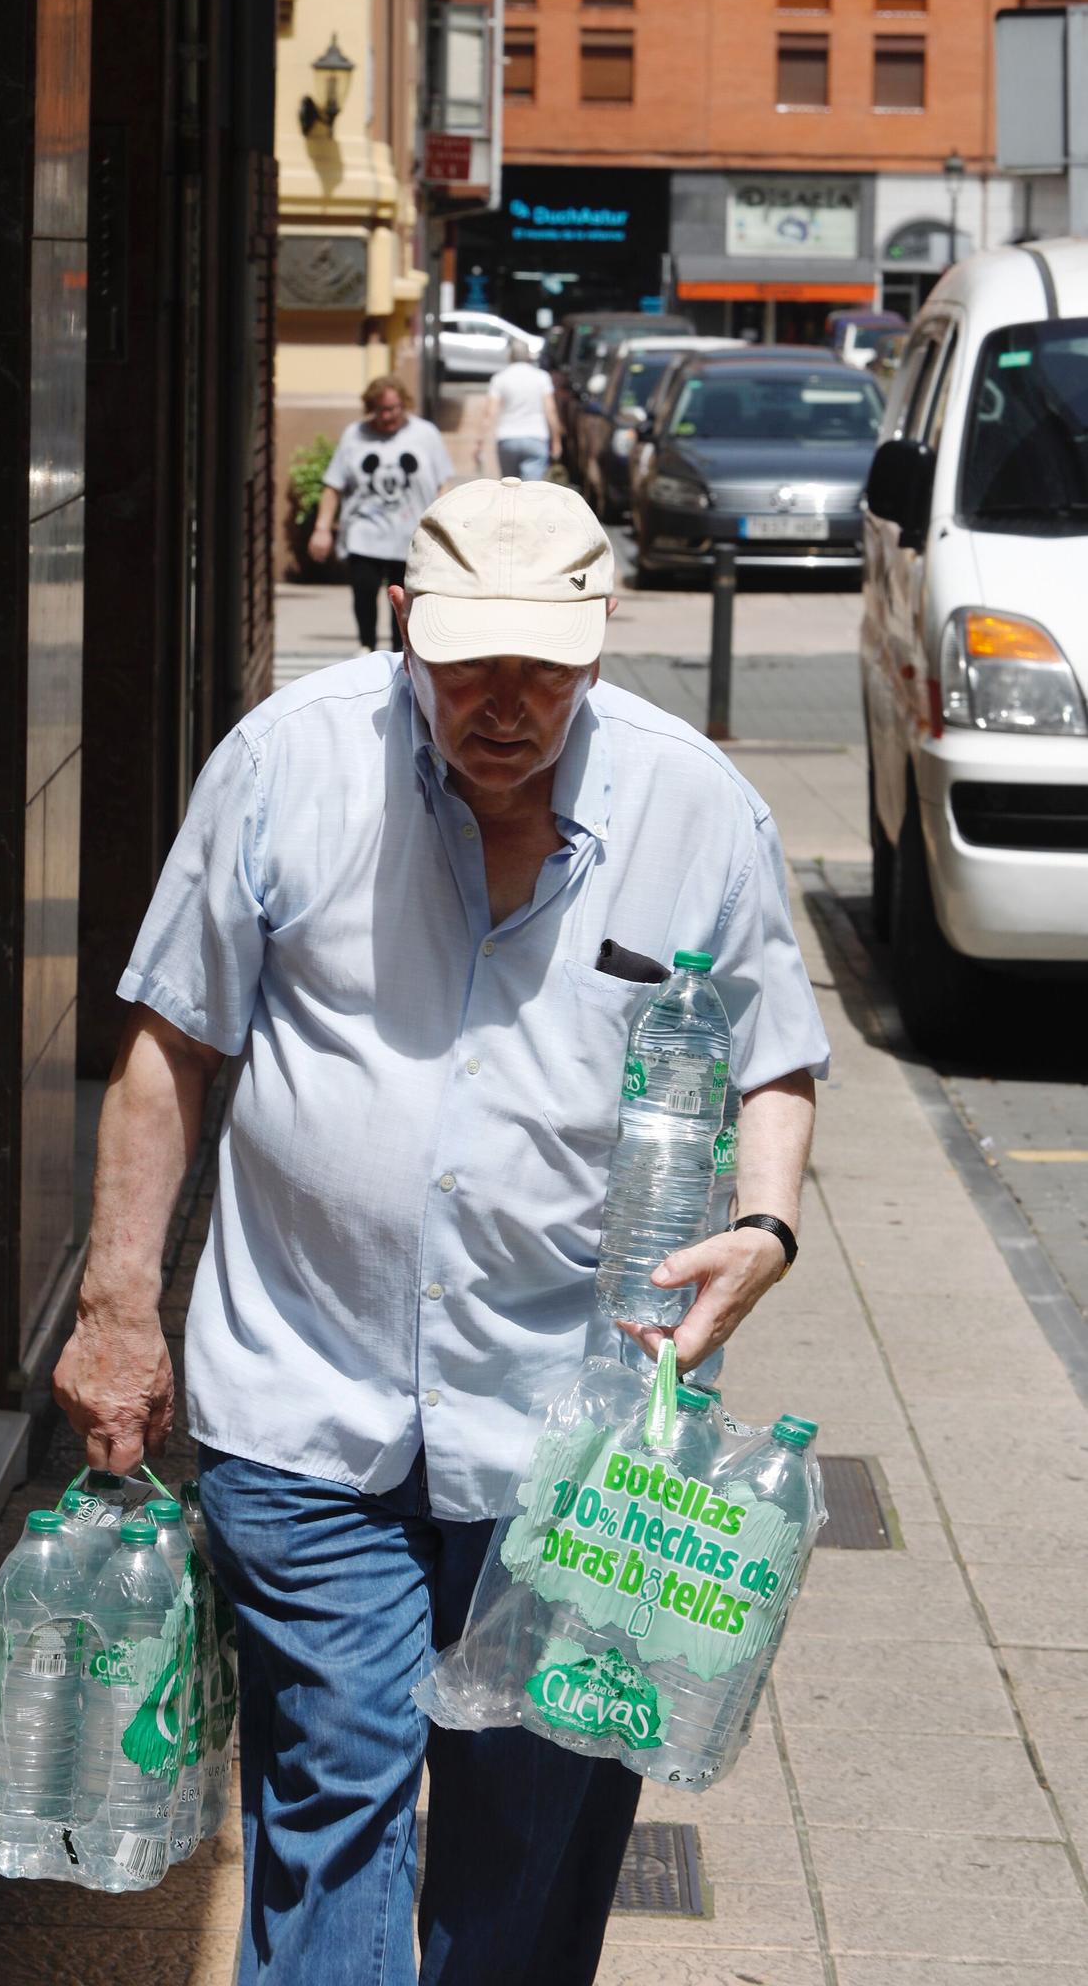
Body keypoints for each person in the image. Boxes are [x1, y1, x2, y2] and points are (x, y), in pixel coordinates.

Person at [53, 477, 830, 1986]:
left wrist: (765, 1223)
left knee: (534, 1820)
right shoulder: (284, 765)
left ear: (598, 646)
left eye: (543, 668)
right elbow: (170, 1045)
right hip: (304, 1385)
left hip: (575, 1426)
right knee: (333, 1783)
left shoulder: (695, 806)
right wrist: (116, 1308)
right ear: (403, 625)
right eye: (470, 665)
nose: (504, 705)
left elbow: (771, 1056)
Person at [308, 375, 452, 655]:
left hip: (410, 536)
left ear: (404, 405)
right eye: (381, 409)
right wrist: (322, 528)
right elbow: (333, 485)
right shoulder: (355, 435)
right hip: (365, 532)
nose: (388, 416)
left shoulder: (426, 434)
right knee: (364, 591)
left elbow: (443, 484)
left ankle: (401, 655)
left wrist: (442, 527)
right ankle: (367, 648)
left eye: (394, 408)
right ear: (371, 407)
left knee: (404, 602)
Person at [476, 340, 561, 481]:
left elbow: (489, 413)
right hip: (536, 438)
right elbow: (550, 410)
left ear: (510, 355)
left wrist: (480, 443)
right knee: (531, 493)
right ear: (529, 356)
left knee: (510, 491)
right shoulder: (542, 377)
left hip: (507, 439)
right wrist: (556, 440)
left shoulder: (500, 378)